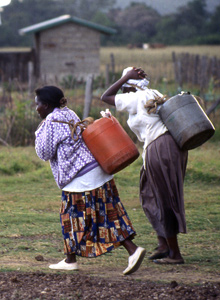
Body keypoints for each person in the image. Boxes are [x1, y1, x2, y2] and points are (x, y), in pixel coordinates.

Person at [34, 85, 146, 275]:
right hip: (96, 170)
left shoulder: (51, 121)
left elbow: (43, 153)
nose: (36, 108)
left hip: (79, 177)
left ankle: (131, 250)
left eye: (37, 104)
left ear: (45, 105)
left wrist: (39, 131)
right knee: (106, 213)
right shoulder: (68, 113)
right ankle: (73, 259)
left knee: (72, 218)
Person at [101, 67, 188, 264]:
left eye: (124, 87)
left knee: (162, 197)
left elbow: (105, 96)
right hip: (169, 146)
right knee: (149, 193)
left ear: (129, 86)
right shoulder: (153, 93)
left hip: (160, 147)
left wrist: (125, 78)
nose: (122, 92)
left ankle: (175, 254)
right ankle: (164, 244)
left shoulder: (136, 96)